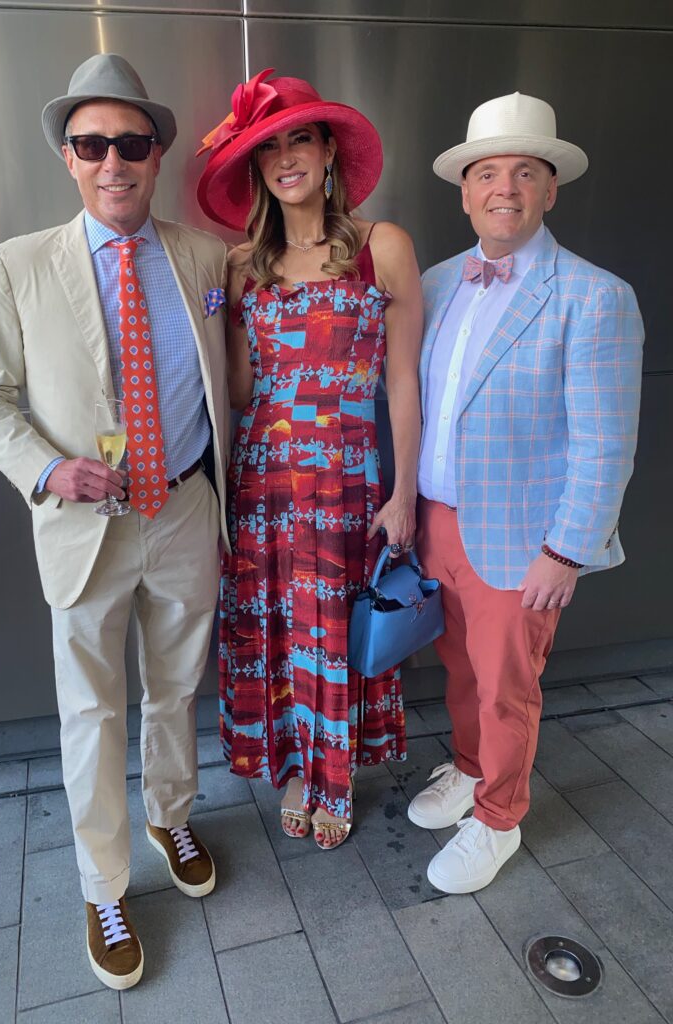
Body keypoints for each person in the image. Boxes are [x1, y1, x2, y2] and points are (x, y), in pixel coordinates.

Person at [0, 53, 231, 989]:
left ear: (157, 154)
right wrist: (45, 468)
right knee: (90, 711)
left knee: (177, 689)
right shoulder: (18, 265)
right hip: (86, 528)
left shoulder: (203, 256)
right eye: (91, 144)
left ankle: (170, 812)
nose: (114, 161)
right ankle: (103, 882)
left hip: (187, 506)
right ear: (67, 159)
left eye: (131, 143)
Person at [407, 92, 644, 892]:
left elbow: (606, 441)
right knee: (461, 670)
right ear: (464, 190)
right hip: (439, 524)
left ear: (550, 188)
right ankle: (471, 770)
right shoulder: (437, 283)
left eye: (524, 172)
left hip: (524, 540)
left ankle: (500, 817)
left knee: (508, 687)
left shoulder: (593, 295)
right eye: (486, 173)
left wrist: (566, 551)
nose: (503, 187)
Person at [196, 69, 423, 850]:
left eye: (301, 138)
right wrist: (209, 317)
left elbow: (403, 379)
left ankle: (337, 776)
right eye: (270, 148)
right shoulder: (239, 267)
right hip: (263, 483)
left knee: (332, 630)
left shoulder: (380, 248)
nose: (287, 157)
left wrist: (405, 494)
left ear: (328, 151)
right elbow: (237, 390)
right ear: (255, 168)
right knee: (279, 632)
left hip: (348, 482)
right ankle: (294, 766)